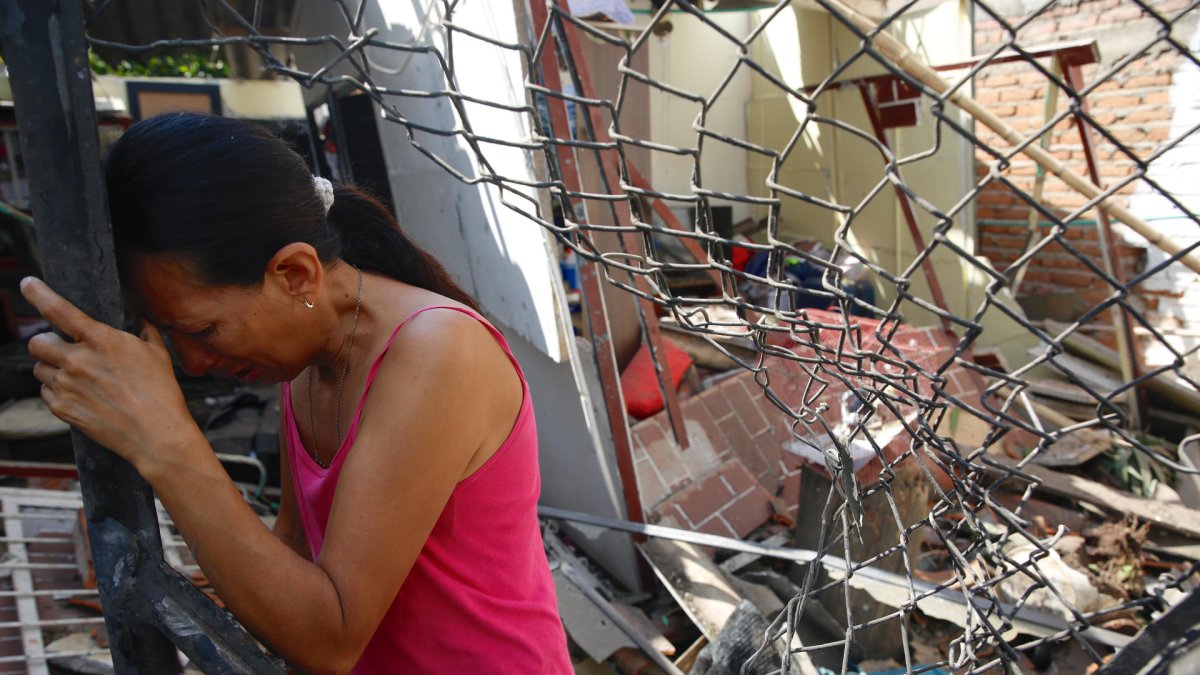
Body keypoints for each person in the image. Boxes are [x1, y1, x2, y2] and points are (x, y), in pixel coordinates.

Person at [20, 112, 572, 674]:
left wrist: (163, 438)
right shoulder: (309, 357)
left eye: (203, 330)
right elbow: (295, 543)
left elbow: (330, 639)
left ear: (295, 273)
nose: (194, 363)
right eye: (170, 335)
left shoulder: (436, 350)